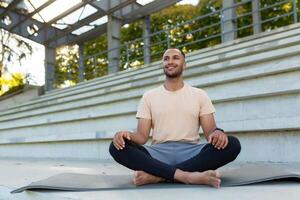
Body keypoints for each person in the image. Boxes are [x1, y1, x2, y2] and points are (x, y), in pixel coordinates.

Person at [109, 48, 241, 188]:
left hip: (191, 152)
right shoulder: (149, 96)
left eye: (175, 58)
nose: (170, 61)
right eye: (166, 59)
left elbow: (210, 132)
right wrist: (124, 135)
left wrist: (217, 132)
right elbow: (141, 137)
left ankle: (158, 176)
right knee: (116, 147)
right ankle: (187, 176)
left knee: (232, 144)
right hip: (158, 154)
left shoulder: (199, 94)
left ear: (184, 64)